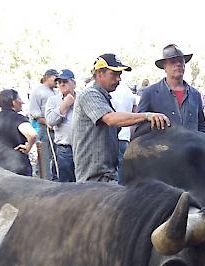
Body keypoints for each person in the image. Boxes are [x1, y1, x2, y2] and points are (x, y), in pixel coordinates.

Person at [71, 53, 170, 183]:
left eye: (120, 75)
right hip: (93, 180)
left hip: (105, 176)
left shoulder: (105, 98)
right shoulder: (89, 94)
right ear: (100, 73)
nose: (119, 79)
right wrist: (147, 115)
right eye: (114, 74)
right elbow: (111, 119)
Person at [138, 44, 205, 133]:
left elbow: (201, 126)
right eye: (173, 62)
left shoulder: (195, 94)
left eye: (181, 61)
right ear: (164, 66)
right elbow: (139, 125)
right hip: (161, 146)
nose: (178, 64)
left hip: (191, 146)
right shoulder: (150, 93)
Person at [45, 69, 77, 182]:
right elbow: (50, 121)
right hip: (65, 149)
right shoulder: (53, 100)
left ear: (74, 83)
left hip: (82, 148)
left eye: (65, 81)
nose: (62, 84)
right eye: (59, 82)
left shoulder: (83, 98)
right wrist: (65, 105)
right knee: (65, 184)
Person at [29, 69, 59, 179]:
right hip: (44, 129)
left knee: (57, 158)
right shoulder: (38, 91)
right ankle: (41, 179)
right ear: (47, 77)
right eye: (55, 77)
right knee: (44, 158)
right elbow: (34, 113)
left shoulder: (56, 92)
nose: (57, 81)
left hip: (57, 130)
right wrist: (48, 122)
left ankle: (56, 180)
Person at [110, 81, 138, 184]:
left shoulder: (106, 92)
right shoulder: (127, 90)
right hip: (125, 136)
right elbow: (135, 109)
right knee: (122, 168)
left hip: (112, 138)